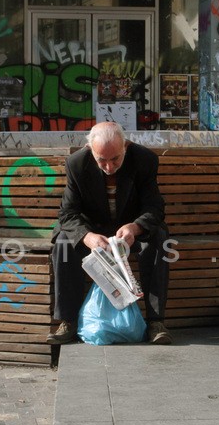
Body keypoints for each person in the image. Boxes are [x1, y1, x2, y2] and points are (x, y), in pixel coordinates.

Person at [47, 122, 171, 345]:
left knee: (159, 239)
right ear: (90, 150)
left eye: (115, 159)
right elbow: (67, 213)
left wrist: (135, 227)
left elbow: (155, 207)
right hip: (93, 231)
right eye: (101, 160)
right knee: (63, 244)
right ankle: (68, 321)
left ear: (125, 146)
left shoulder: (145, 160)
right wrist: (87, 236)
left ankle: (156, 322)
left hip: (130, 231)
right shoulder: (76, 163)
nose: (109, 166)